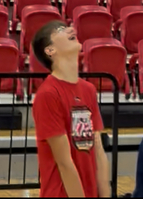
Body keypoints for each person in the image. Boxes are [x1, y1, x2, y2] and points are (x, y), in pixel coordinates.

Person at [32, 19, 111, 199]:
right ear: (50, 50)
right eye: (60, 29)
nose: (70, 29)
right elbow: (64, 162)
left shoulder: (88, 90)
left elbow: (98, 152)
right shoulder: (48, 94)